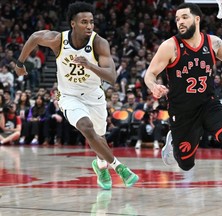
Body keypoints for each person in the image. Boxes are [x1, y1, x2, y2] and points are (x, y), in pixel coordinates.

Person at [144, 3, 222, 207]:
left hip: (209, 104)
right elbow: (149, 73)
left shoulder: (213, 42)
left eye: (184, 17)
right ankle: (174, 139)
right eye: (177, 19)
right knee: (186, 164)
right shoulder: (170, 46)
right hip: (182, 112)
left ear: (197, 19)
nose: (180, 22)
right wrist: (153, 86)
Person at [14, 2, 138, 189]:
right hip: (69, 96)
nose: (89, 26)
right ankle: (119, 168)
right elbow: (34, 37)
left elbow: (112, 76)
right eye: (84, 22)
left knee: (99, 139)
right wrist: (20, 63)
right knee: (86, 127)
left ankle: (101, 166)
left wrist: (89, 66)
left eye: (91, 22)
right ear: (73, 24)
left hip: (94, 96)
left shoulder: (99, 43)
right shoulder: (58, 40)